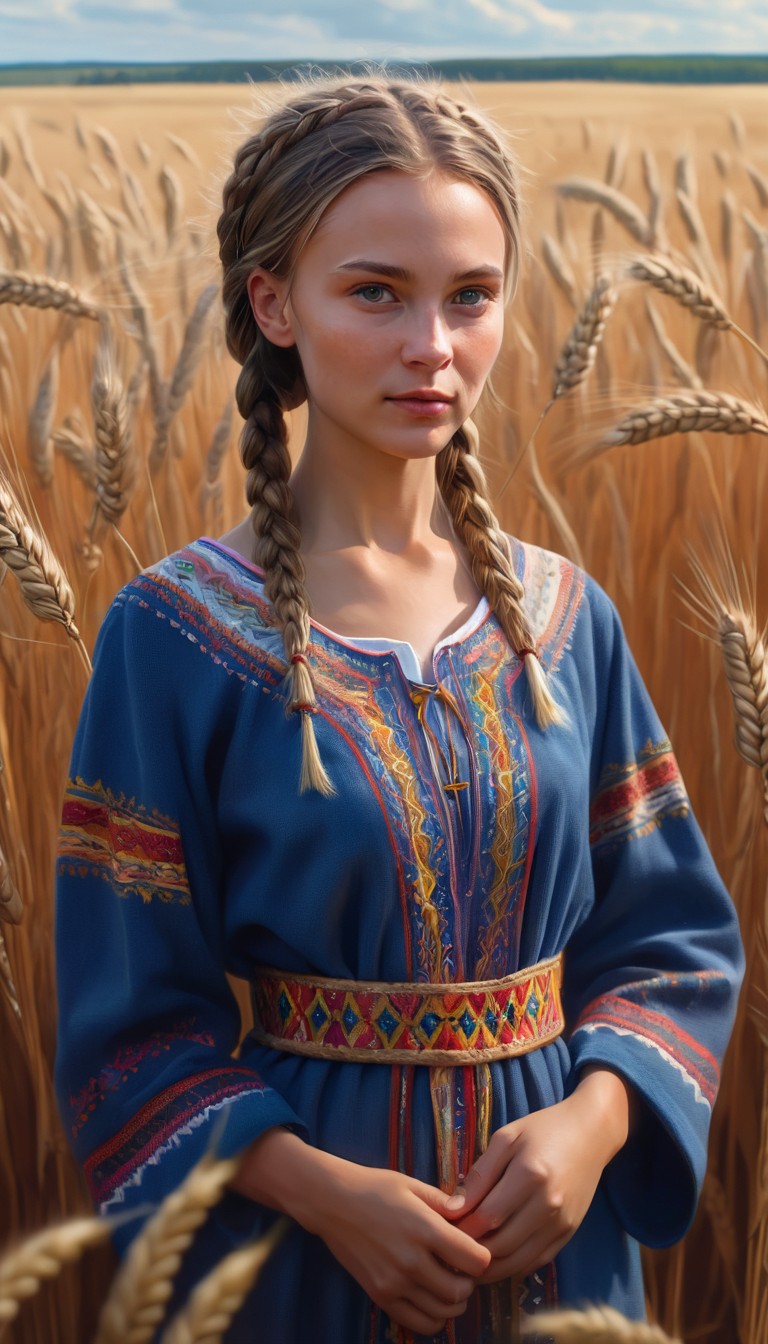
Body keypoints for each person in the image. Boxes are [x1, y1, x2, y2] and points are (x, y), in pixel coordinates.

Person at [54, 73, 745, 1344]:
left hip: (565, 1253)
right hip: (307, 1254)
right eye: (376, 292)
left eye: (470, 296)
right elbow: (126, 1026)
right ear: (275, 304)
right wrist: (325, 1196)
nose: (434, 344)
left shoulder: (564, 618)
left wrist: (591, 1130)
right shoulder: (173, 637)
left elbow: (673, 942)